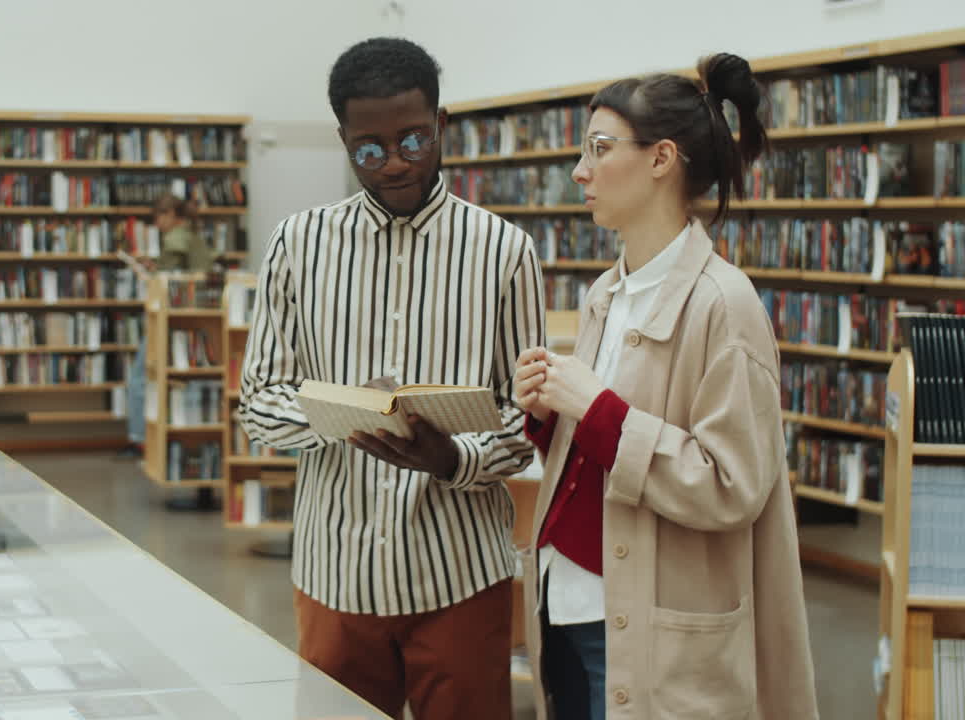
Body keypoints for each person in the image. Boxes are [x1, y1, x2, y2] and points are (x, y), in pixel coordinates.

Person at [237, 37, 544, 720]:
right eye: (369, 150)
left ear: (442, 124)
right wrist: (350, 416)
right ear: (345, 141)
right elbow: (258, 402)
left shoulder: (504, 251)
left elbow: (524, 421)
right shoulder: (298, 243)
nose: (396, 163)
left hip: (460, 571)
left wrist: (453, 458)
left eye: (414, 139)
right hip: (334, 573)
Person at [512, 54, 819, 719]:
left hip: (645, 630)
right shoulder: (605, 293)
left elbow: (730, 484)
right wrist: (548, 414)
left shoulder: (725, 307)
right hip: (565, 605)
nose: (579, 172)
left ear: (661, 160)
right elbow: (601, 453)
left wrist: (594, 409)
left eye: (599, 148)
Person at [152, 194, 215, 272]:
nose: (156, 224)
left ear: (170, 213)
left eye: (156, 218)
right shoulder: (188, 232)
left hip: (191, 283)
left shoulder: (175, 237)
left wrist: (152, 270)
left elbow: (166, 272)